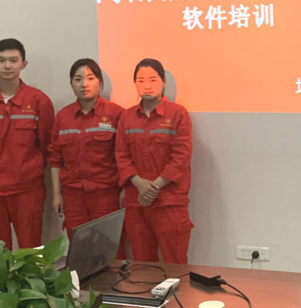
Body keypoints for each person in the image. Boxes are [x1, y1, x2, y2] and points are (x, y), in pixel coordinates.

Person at [0, 38, 54, 249]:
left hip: (27, 189)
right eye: (1, 60)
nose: (7, 66)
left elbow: (48, 145)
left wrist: (26, 169)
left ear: (23, 64)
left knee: (31, 250)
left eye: (13, 60)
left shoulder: (39, 101)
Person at [115, 58, 193, 263]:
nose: (147, 86)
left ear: (164, 81)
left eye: (153, 80)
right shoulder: (127, 117)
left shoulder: (178, 114)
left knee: (175, 264)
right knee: (143, 266)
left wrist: (154, 187)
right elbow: (121, 155)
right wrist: (139, 184)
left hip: (169, 202)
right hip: (137, 202)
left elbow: (181, 157)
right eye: (140, 80)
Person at [48, 58, 125, 255]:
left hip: (106, 194)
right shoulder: (62, 117)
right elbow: (55, 159)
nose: (84, 84)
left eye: (90, 78)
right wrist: (57, 194)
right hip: (73, 195)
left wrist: (124, 189)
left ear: (100, 82)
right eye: (78, 79)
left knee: (110, 249)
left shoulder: (116, 114)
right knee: (79, 250)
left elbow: (124, 156)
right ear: (71, 84)